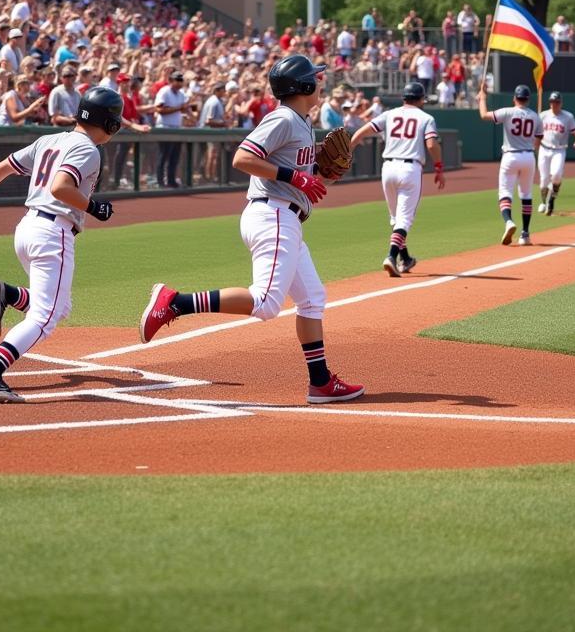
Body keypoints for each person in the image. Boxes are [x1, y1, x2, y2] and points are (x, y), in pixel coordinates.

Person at [137, 54, 364, 405]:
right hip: (272, 216)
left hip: (283, 217)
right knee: (265, 303)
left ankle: (320, 382)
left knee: (312, 298)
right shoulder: (284, 118)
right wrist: (296, 176)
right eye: (315, 79)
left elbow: (292, 166)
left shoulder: (301, 122)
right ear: (302, 86)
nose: (320, 83)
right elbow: (242, 157)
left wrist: (315, 169)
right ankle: (175, 302)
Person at [0, 87, 122, 403]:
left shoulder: (50, 140)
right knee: (45, 317)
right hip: (53, 234)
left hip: (27, 228)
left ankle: (8, 294)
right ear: (108, 122)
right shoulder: (88, 149)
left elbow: (3, 167)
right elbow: (60, 187)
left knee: (59, 305)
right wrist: (94, 207)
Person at [350, 80, 445, 277]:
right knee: (404, 219)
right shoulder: (426, 117)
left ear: (404, 98)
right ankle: (391, 256)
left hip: (388, 169)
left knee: (396, 218)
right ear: (421, 99)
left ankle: (406, 258)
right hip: (410, 169)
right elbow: (431, 145)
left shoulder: (389, 114)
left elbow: (361, 132)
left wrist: (348, 150)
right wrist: (438, 166)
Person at [478, 83, 542, 246]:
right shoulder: (535, 116)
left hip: (510, 156)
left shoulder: (507, 111)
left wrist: (482, 98)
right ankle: (525, 234)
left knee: (505, 193)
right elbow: (538, 139)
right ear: (527, 99)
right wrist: (530, 150)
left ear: (515, 98)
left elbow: (484, 115)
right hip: (528, 156)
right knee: (526, 195)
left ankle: (508, 221)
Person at [537, 91, 575, 216]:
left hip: (559, 149)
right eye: (552, 102)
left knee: (556, 176)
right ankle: (543, 202)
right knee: (543, 181)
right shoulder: (543, 115)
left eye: (557, 102)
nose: (554, 104)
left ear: (561, 103)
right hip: (544, 149)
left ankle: (552, 199)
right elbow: (535, 132)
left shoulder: (568, 116)